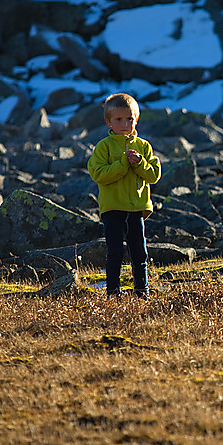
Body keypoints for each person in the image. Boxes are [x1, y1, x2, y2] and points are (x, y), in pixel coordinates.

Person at [87, 93, 161, 299]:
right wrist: (122, 164)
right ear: (108, 121)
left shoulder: (144, 147)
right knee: (115, 253)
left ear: (136, 119)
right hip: (112, 208)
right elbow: (98, 174)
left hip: (137, 208)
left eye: (130, 118)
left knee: (140, 253)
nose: (125, 124)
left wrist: (140, 163)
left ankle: (142, 292)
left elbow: (154, 176)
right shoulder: (104, 147)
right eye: (119, 119)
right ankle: (113, 293)